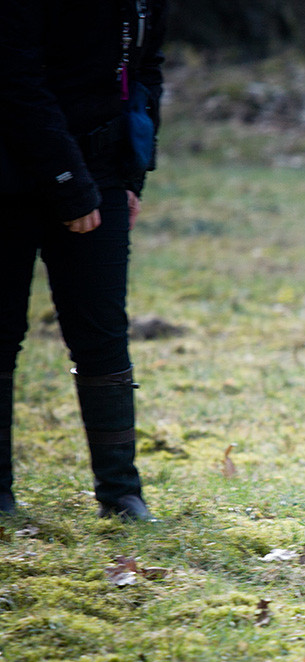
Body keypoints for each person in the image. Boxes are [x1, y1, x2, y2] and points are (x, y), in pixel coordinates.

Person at [0, 1, 167, 520]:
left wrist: (132, 175)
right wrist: (69, 184)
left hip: (103, 170)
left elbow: (145, 71)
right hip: (9, 169)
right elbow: (15, 80)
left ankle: (121, 494)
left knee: (103, 334)